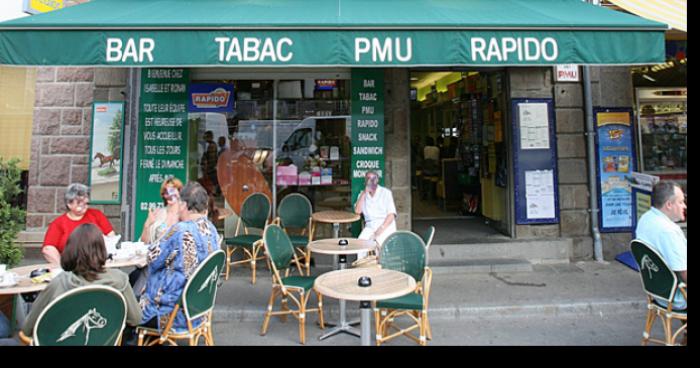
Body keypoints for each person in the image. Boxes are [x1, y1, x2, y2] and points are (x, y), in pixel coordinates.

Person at [22, 223, 142, 339]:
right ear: (102, 249)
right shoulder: (120, 280)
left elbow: (28, 329)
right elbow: (136, 319)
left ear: (70, 250)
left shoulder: (58, 283)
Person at [139, 182, 221, 333]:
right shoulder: (212, 230)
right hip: (198, 312)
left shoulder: (180, 230)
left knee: (127, 310)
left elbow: (152, 258)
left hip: (170, 315)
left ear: (183, 205)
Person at [635, 181, 687, 310]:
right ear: (669, 205)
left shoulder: (646, 219)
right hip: (677, 297)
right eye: (680, 202)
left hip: (658, 292)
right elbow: (684, 272)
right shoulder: (669, 231)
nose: (684, 206)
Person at [42, 183, 115, 265]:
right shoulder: (58, 223)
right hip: (72, 264)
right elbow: (48, 248)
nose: (84, 206)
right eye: (79, 203)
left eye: (86, 203)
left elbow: (111, 236)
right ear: (69, 204)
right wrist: (62, 266)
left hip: (98, 263)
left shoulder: (97, 215)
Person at [354, 171, 397, 259]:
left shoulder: (386, 193)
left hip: (385, 225)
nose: (370, 181)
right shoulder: (362, 195)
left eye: (373, 179)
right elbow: (357, 211)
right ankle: (363, 268)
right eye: (368, 179)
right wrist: (364, 193)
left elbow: (391, 215)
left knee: (379, 246)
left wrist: (379, 231)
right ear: (365, 181)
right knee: (360, 244)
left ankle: (380, 269)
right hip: (370, 226)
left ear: (377, 181)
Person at [139, 177, 183, 244]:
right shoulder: (158, 214)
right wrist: (147, 224)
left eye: (171, 190)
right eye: (166, 192)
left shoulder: (185, 213)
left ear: (179, 192)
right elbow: (143, 243)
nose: (169, 194)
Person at [200, 130, 219, 194]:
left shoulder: (211, 146)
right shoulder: (211, 145)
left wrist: (207, 169)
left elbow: (211, 159)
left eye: (205, 136)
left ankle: (212, 193)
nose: (204, 138)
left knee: (211, 182)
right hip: (211, 168)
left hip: (210, 169)